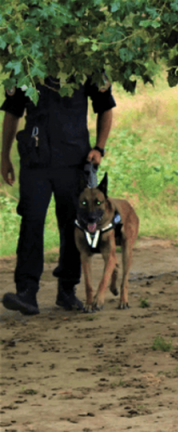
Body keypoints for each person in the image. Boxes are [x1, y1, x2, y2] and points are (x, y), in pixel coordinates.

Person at [1, 75, 116, 315]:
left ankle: (67, 289)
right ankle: (27, 292)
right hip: (35, 159)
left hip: (74, 160)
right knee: (31, 221)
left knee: (72, 223)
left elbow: (105, 106)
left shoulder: (85, 63)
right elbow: (13, 112)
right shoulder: (27, 61)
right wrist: (5, 155)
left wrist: (99, 147)